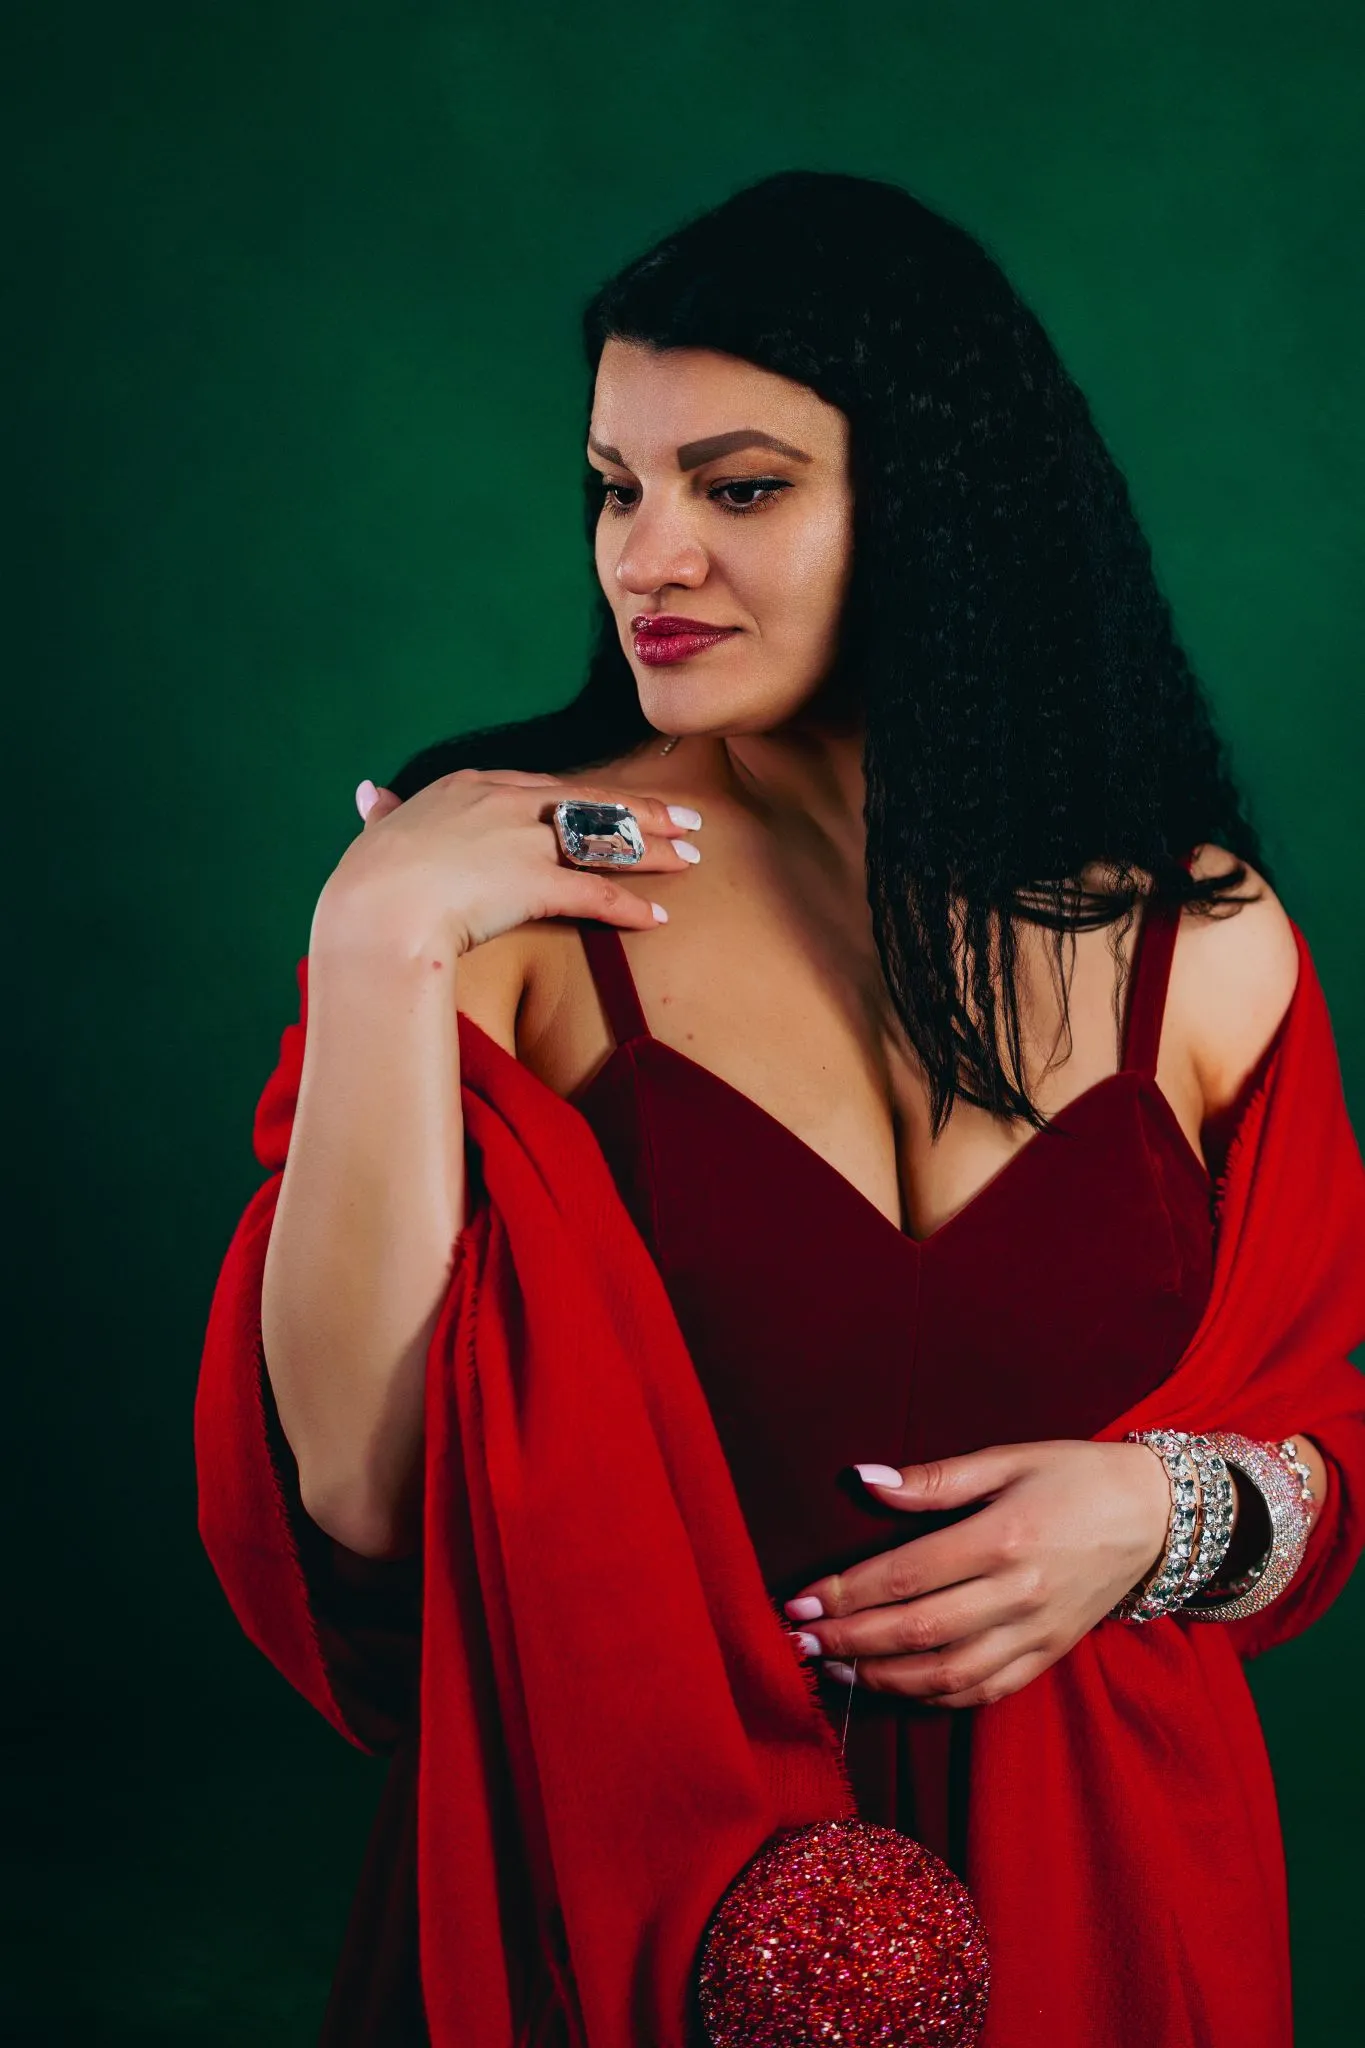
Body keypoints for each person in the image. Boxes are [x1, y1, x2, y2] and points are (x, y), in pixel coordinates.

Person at [199, 171, 1365, 2046]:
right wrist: (374, 946)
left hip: (1115, 1904)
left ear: (943, 508)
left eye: (737, 488)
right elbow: (352, 1499)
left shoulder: (1206, 942)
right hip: (615, 1896)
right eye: (615, 485)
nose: (646, 558)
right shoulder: (504, 899)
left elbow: (1324, 1447)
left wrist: (1162, 1515)